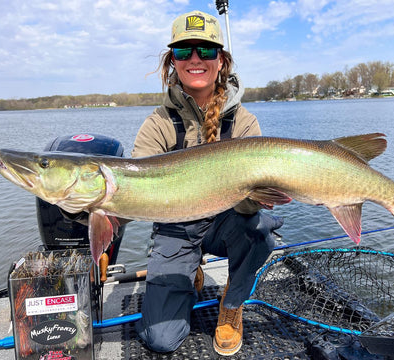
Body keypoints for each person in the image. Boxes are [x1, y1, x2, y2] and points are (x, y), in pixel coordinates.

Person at [131, 10, 283, 356]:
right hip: (177, 230)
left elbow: (250, 205)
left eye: (206, 51)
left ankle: (232, 303)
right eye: (184, 52)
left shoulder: (244, 122)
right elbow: (137, 192)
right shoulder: (157, 124)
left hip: (224, 223)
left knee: (260, 228)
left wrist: (255, 197)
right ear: (173, 62)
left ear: (221, 61)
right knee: (162, 340)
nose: (195, 59)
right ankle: (190, 270)